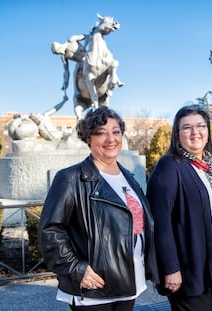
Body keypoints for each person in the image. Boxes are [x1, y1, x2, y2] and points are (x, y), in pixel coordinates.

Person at [38, 106, 158, 311]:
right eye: (101, 133)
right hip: (94, 289)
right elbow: (50, 230)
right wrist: (76, 268)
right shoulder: (71, 178)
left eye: (116, 132)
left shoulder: (128, 177)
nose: (111, 139)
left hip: (129, 281)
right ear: (88, 138)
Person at [146, 104, 212, 311]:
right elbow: (161, 223)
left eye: (201, 126)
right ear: (177, 134)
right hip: (189, 269)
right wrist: (171, 268)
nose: (195, 132)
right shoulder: (169, 166)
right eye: (187, 127)